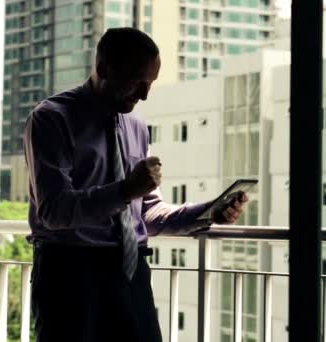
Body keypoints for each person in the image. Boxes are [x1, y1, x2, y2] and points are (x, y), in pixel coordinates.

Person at [23, 27, 248, 342]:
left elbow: (146, 212)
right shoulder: (51, 118)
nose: (144, 94)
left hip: (132, 273)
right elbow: (53, 210)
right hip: (70, 273)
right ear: (103, 69)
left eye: (151, 83)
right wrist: (125, 190)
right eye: (137, 81)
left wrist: (208, 214)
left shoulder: (137, 127)